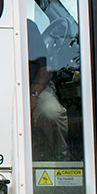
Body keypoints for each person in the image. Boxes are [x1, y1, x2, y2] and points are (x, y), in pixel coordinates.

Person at [27, 20, 69, 161]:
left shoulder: (28, 27)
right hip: (6, 88)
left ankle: (60, 161)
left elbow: (45, 70)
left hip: (35, 86)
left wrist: (33, 95)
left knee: (51, 113)